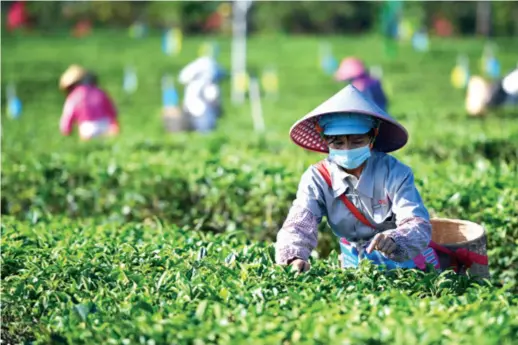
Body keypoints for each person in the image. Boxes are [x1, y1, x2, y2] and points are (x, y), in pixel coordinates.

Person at [276, 84, 440, 272]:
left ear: (373, 136)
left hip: (408, 264)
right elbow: (299, 224)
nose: (347, 149)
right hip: (354, 262)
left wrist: (396, 239)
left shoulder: (394, 172)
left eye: (357, 141)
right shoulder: (316, 178)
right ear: (325, 139)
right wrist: (294, 258)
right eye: (338, 142)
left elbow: (417, 223)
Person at [59, 65, 119, 140]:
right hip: (105, 125)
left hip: (87, 129)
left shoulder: (73, 97)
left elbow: (67, 116)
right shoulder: (99, 92)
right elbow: (112, 109)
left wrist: (66, 130)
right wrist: (114, 124)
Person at [178, 56, 224, 133]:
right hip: (200, 111)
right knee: (205, 127)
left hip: (197, 109)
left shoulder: (202, 80)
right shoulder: (203, 80)